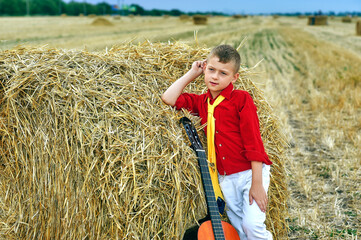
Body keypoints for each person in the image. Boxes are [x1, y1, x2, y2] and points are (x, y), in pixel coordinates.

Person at [161, 44, 273, 240]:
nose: (214, 77)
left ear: (234, 77)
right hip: (225, 178)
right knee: (240, 229)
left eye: (223, 73)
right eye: (211, 70)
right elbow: (169, 98)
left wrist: (257, 183)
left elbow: (253, 141)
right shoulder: (201, 103)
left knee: (252, 226)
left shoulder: (241, 99)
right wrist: (192, 73)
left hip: (249, 173)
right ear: (205, 68)